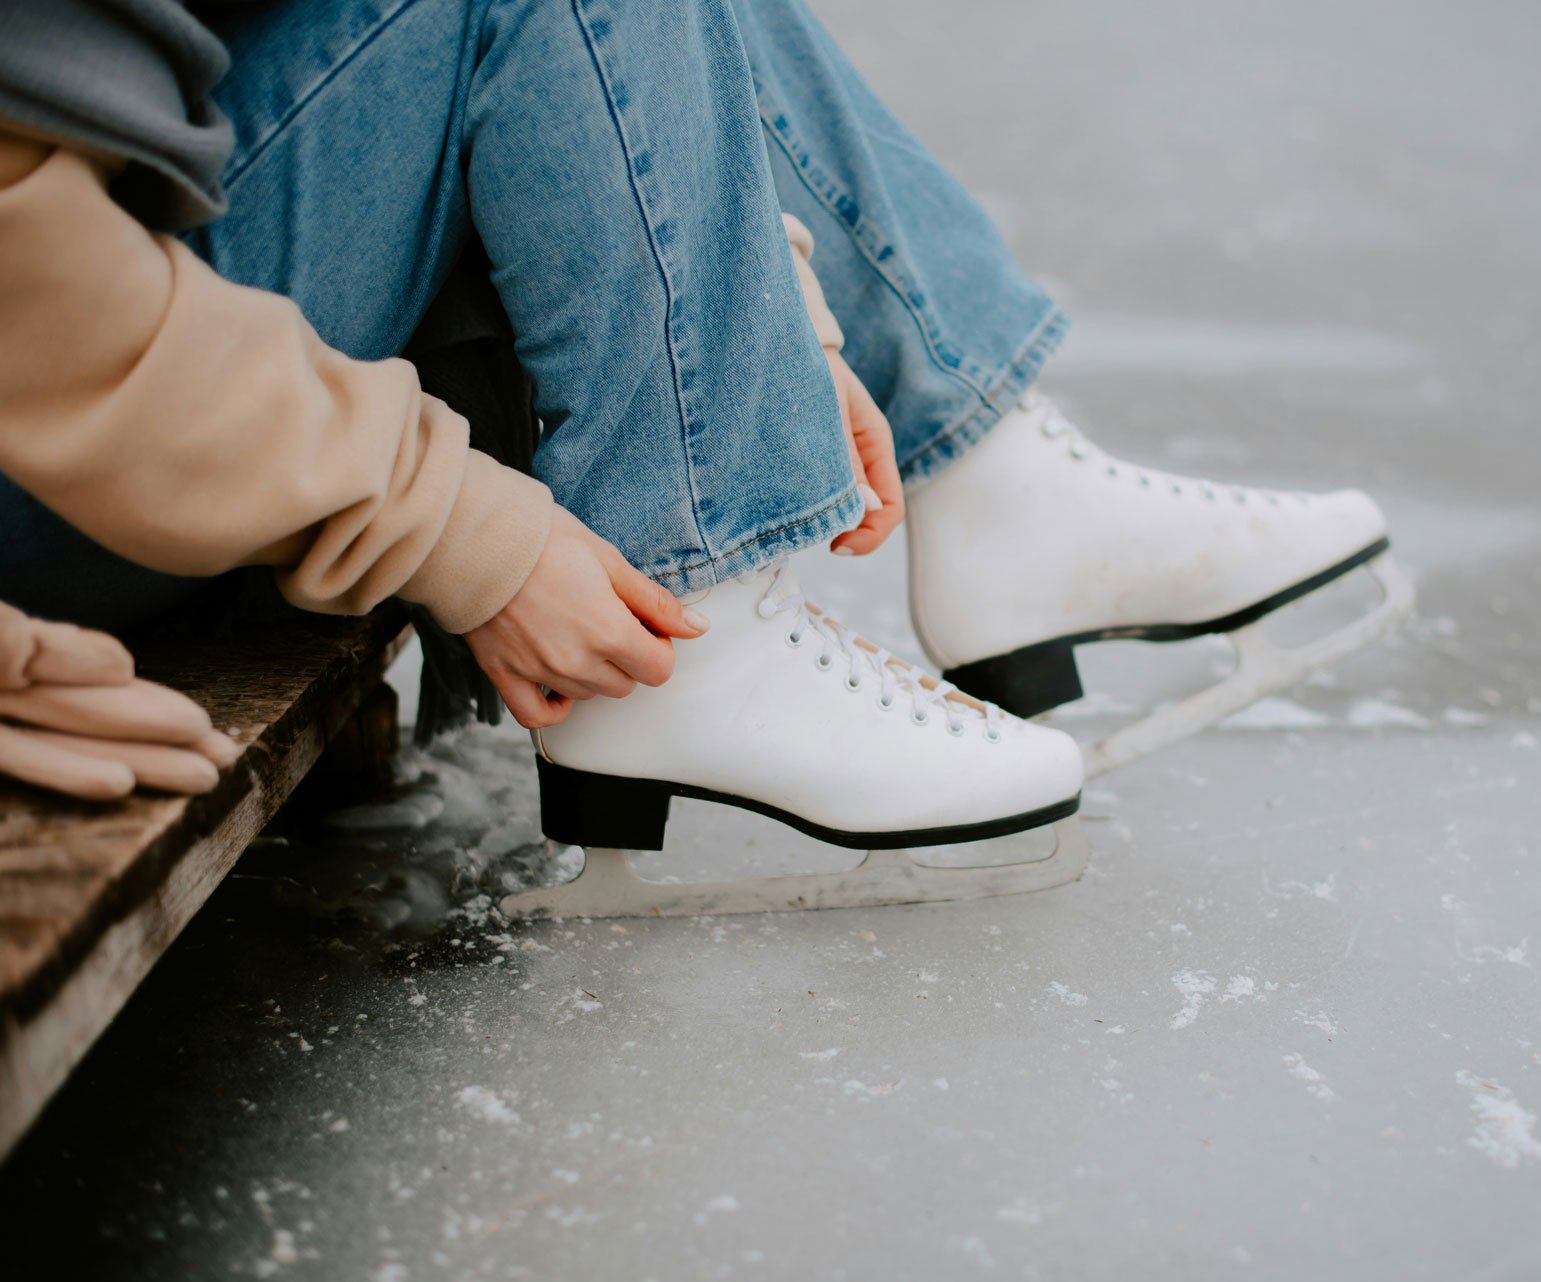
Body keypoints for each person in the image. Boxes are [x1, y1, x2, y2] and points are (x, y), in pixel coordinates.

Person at [0, 0, 1393, 861]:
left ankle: (988, 467)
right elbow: (32, 303)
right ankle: (696, 625)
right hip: (63, 460)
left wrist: (774, 309)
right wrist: (462, 525)